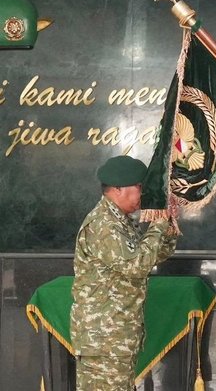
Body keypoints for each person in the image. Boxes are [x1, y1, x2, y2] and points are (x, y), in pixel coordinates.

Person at [70, 155, 178, 390]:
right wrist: (157, 225)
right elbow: (136, 265)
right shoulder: (104, 225)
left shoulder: (120, 221)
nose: (143, 194)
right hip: (104, 339)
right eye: (140, 187)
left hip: (117, 336)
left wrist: (167, 226)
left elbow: (153, 257)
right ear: (117, 189)